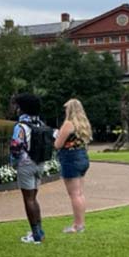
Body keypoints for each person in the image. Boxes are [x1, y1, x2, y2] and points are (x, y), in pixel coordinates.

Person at [10, 93, 47, 244]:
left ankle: (35, 234)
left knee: (28, 199)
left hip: (25, 164)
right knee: (34, 198)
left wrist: (13, 163)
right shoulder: (41, 124)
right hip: (39, 163)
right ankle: (39, 230)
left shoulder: (21, 126)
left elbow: (16, 147)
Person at [54, 99, 92, 233]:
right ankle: (81, 223)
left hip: (70, 158)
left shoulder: (68, 124)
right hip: (82, 157)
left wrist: (56, 135)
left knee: (74, 194)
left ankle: (77, 225)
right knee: (80, 193)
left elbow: (58, 144)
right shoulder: (83, 124)